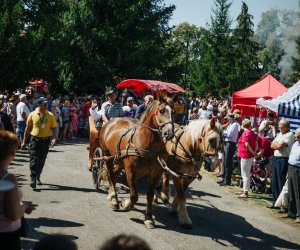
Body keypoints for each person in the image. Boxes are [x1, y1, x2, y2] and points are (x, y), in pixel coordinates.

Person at [0, 131, 36, 250]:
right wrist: (24, 206)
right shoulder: (8, 178)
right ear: (12, 152)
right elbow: (13, 214)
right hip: (6, 235)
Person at [21, 97, 57, 189]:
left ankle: (38, 176)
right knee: (33, 159)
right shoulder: (32, 114)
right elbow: (28, 129)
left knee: (42, 160)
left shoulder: (50, 115)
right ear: (39, 104)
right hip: (34, 140)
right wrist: (24, 142)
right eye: (44, 104)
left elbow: (54, 127)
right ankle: (33, 179)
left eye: (46, 104)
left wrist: (54, 138)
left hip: (45, 140)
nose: (46, 105)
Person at [268, 119, 294, 208]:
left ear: (285, 126)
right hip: (276, 158)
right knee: (274, 180)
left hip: (283, 159)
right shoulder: (280, 134)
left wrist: (277, 144)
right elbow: (272, 145)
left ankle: (283, 204)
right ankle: (275, 201)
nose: (278, 126)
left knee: (281, 180)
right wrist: (277, 144)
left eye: (280, 125)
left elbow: (279, 146)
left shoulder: (290, 135)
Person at [235, 119, 257, 198]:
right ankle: (244, 189)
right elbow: (255, 143)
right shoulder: (252, 133)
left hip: (246, 155)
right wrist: (254, 153)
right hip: (249, 156)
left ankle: (245, 192)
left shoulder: (245, 133)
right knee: (245, 174)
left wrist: (253, 152)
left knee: (245, 174)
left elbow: (247, 144)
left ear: (243, 125)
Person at [218, 113, 239, 186]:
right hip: (226, 142)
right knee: (224, 161)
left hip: (230, 143)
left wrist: (223, 132)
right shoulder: (230, 125)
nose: (227, 120)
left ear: (232, 118)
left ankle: (227, 180)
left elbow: (230, 134)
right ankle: (223, 177)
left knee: (227, 162)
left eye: (228, 118)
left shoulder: (235, 125)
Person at [287, 127, 300, 223]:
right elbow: (291, 156)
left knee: (297, 192)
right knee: (291, 190)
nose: (294, 135)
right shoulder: (295, 144)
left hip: (298, 169)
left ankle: (299, 215)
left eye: (296, 134)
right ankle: (291, 211)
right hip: (291, 167)